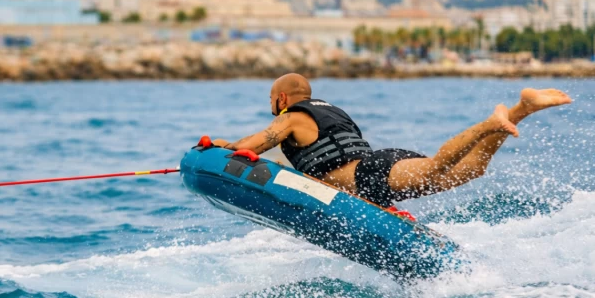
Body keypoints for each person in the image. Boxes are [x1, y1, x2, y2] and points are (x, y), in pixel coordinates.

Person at [212, 73, 571, 208]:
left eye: (271, 101)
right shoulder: (332, 112)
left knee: (435, 168)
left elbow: (254, 146)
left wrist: (221, 148)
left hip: (371, 173)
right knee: (472, 170)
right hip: (380, 172)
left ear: (282, 98)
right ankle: (521, 109)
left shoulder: (291, 117)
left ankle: (489, 123)